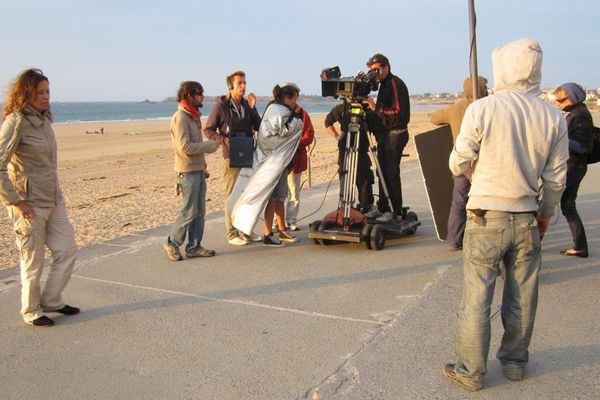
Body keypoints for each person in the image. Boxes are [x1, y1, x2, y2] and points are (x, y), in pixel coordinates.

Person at [444, 38, 568, 391]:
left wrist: (472, 171)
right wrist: (545, 214)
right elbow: (556, 179)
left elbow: (457, 161)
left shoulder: (483, 109)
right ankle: (514, 363)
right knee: (523, 296)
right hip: (527, 215)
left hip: (485, 215)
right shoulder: (552, 116)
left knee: (476, 299)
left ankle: (471, 371)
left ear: (503, 68)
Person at [0, 69, 80, 327]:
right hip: (29, 204)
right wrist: (16, 201)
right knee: (33, 260)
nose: (46, 97)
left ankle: (53, 300)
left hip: (54, 199)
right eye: (40, 92)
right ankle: (31, 310)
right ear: (27, 94)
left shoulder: (45, 121)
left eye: (48, 91)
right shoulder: (16, 122)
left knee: (67, 249)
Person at [229, 83, 304, 247]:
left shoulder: (273, 108)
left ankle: (281, 228)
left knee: (280, 198)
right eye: (294, 99)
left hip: (278, 162)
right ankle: (268, 233)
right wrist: (298, 123)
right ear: (287, 98)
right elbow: (279, 135)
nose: (295, 103)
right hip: (272, 163)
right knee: (273, 197)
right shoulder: (280, 112)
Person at [430, 76, 488, 250]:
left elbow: (433, 118)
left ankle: (454, 240)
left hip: (462, 161)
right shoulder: (486, 107)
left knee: (459, 202)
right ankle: (483, 242)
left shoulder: (454, 108)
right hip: (483, 162)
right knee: (486, 201)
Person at [163, 81, 219, 261]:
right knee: (189, 210)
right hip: (187, 172)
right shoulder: (180, 117)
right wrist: (209, 146)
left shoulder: (193, 116)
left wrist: (203, 166)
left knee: (200, 211)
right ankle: (172, 242)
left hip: (197, 170)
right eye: (199, 93)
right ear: (189, 96)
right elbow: (184, 147)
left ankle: (194, 246)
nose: (202, 96)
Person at [204, 71, 262, 246]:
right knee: (232, 196)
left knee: (248, 194)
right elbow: (208, 130)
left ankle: (245, 229)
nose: (243, 87)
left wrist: (253, 108)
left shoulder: (246, 104)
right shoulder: (221, 106)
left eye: (245, 83)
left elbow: (259, 126)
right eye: (240, 84)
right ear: (231, 86)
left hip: (248, 154)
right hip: (231, 157)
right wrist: (223, 140)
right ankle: (232, 233)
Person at [363, 53, 410, 222]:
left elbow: (398, 113)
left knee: (390, 173)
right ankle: (383, 207)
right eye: (371, 71)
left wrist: (375, 107)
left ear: (386, 68)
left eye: (376, 70)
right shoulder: (383, 85)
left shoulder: (395, 84)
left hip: (395, 135)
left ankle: (394, 211)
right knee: (382, 172)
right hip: (385, 135)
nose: (374, 74)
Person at [554, 83, 594, 258]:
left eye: (562, 100)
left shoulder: (580, 116)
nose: (558, 103)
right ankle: (580, 246)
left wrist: (560, 138)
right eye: (557, 100)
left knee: (550, 203)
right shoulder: (574, 114)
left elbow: (584, 147)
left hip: (575, 166)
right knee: (567, 205)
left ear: (574, 97)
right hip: (572, 165)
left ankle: (531, 249)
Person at [325, 102, 374, 213]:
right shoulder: (341, 108)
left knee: (364, 178)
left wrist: (372, 106)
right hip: (345, 149)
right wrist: (336, 136)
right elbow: (328, 122)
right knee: (345, 176)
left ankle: (366, 206)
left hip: (361, 149)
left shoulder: (366, 108)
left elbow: (376, 125)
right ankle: (345, 205)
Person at [284, 101, 315, 231]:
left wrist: (297, 142)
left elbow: (310, 134)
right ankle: (276, 221)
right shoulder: (279, 112)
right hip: (280, 158)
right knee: (278, 193)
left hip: (296, 158)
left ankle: (291, 220)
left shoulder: (302, 114)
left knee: (294, 192)